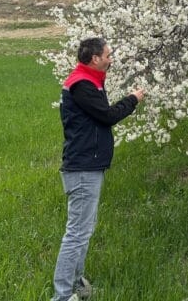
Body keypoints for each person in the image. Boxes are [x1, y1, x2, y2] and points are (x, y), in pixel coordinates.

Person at [52, 37, 144, 301]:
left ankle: (77, 285)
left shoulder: (88, 80)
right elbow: (107, 115)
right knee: (77, 233)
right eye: (108, 55)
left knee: (84, 229)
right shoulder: (82, 84)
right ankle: (62, 295)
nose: (111, 59)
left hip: (89, 165)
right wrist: (132, 99)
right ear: (95, 58)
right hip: (83, 168)